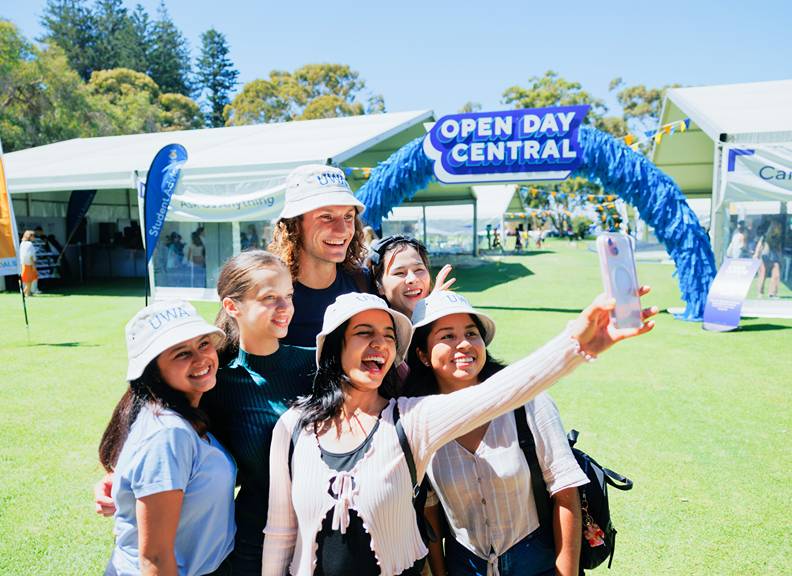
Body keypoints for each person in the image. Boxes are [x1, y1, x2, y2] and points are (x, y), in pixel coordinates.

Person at [262, 291, 656, 575]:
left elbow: (502, 391)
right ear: (334, 347)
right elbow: (281, 532)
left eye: (387, 335)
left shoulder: (411, 420)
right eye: (365, 333)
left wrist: (576, 342)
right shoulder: (293, 427)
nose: (380, 344)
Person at [95, 251, 316, 576]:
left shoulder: (317, 364)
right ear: (231, 307)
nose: (285, 308)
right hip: (253, 544)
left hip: (323, 530)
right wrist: (120, 481)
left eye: (288, 296)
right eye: (270, 298)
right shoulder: (214, 385)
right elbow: (160, 450)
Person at [404, 294, 615, 576]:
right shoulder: (417, 420)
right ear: (422, 355)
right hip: (463, 565)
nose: (464, 344)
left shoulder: (528, 402)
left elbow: (566, 494)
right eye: (448, 336)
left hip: (537, 561)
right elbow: (429, 507)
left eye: (471, 333)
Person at [99, 300, 236, 576]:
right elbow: (156, 559)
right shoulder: (169, 434)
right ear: (153, 370)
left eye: (203, 344)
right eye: (181, 353)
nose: (200, 359)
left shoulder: (179, 412)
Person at [269, 164, 373, 347]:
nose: (342, 230)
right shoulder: (264, 292)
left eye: (348, 217)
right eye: (326, 217)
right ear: (294, 225)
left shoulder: (365, 283)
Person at [368, 235, 455, 319]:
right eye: (399, 273)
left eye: (419, 270)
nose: (412, 279)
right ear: (379, 285)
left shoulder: (451, 316)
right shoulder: (376, 331)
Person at [19, 230, 39, 296]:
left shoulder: (22, 243)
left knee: (27, 280)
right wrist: (33, 265)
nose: (34, 238)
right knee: (29, 280)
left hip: (23, 264)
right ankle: (25, 293)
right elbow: (30, 256)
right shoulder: (29, 244)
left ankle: (28, 293)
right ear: (30, 236)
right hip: (29, 264)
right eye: (33, 236)